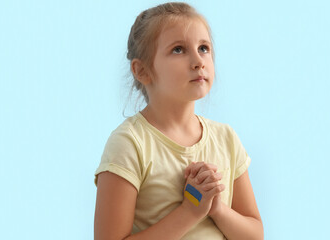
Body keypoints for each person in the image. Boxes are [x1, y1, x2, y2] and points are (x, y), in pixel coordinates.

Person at [93, 2, 263, 240]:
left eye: (204, 48)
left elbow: (255, 234)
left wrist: (216, 208)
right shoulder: (130, 143)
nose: (198, 61)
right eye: (178, 50)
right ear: (142, 71)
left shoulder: (226, 139)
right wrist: (191, 211)